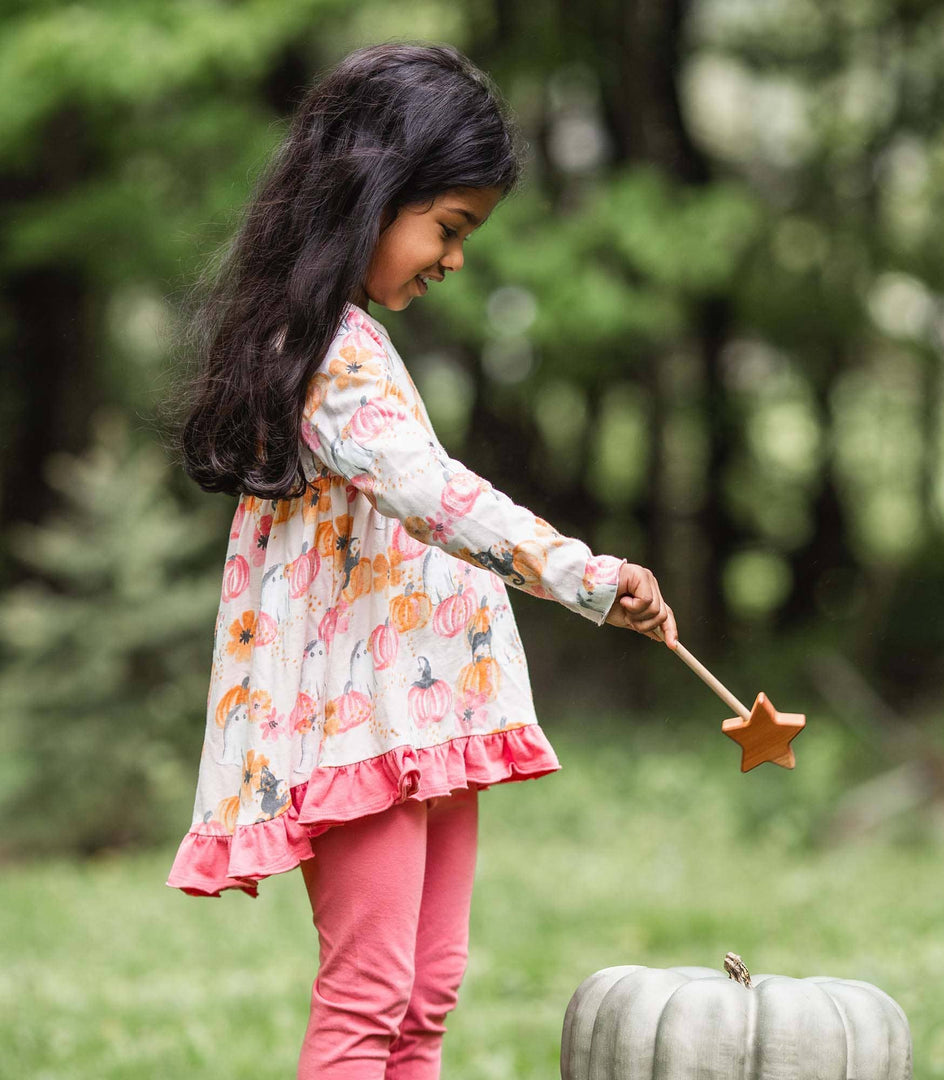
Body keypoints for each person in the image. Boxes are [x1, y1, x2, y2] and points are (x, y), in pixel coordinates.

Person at [164, 40, 678, 1080]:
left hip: (425, 712)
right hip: (363, 727)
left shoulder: (356, 341)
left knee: (425, 995)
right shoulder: (320, 355)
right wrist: (583, 574)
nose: (454, 260)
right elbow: (428, 495)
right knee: (369, 996)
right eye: (448, 228)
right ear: (369, 192)